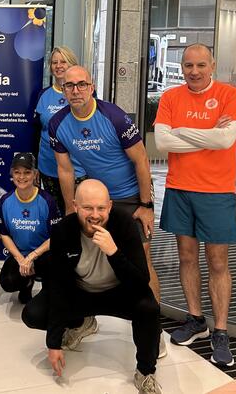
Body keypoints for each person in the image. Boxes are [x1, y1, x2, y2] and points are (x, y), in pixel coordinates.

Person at [48, 65, 162, 355]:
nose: (75, 90)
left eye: (81, 84)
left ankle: (153, 329)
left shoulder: (114, 117)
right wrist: (70, 211)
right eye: (69, 86)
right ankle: (85, 320)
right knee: (85, 259)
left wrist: (146, 205)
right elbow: (64, 170)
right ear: (62, 90)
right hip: (94, 199)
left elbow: (142, 161)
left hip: (129, 197)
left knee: (142, 261)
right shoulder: (58, 123)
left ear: (92, 87)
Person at [154, 43, 236, 367]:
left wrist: (182, 131)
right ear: (182, 67)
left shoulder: (231, 95)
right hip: (179, 188)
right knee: (186, 257)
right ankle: (196, 320)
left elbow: (225, 141)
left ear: (212, 65)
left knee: (218, 262)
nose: (194, 71)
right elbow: (163, 142)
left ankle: (220, 331)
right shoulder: (170, 97)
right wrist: (207, 133)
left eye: (201, 65)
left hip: (218, 191)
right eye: (188, 65)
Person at [21, 179, 162, 394]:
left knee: (149, 308)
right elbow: (58, 287)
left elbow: (140, 282)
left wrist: (114, 252)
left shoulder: (124, 225)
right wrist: (54, 343)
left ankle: (145, 372)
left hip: (118, 292)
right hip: (80, 293)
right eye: (87, 208)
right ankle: (80, 324)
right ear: (75, 206)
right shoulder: (63, 231)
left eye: (101, 208)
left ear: (110, 206)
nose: (95, 215)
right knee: (34, 313)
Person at [0, 152, 61, 304]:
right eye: (17, 172)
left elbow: (56, 236)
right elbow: (4, 234)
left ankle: (47, 290)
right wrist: (21, 259)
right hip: (20, 254)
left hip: (43, 255)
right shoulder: (5, 201)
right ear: (12, 174)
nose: (22, 177)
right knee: (8, 281)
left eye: (27, 172)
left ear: (35, 174)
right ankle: (27, 283)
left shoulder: (46, 201)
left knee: (53, 265)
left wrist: (32, 256)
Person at [33, 46, 84, 213]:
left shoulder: (84, 93)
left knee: (76, 214)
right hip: (48, 167)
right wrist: (34, 165)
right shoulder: (43, 95)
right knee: (54, 216)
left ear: (72, 65)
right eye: (54, 62)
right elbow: (36, 132)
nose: (58, 65)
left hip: (77, 167)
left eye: (63, 61)